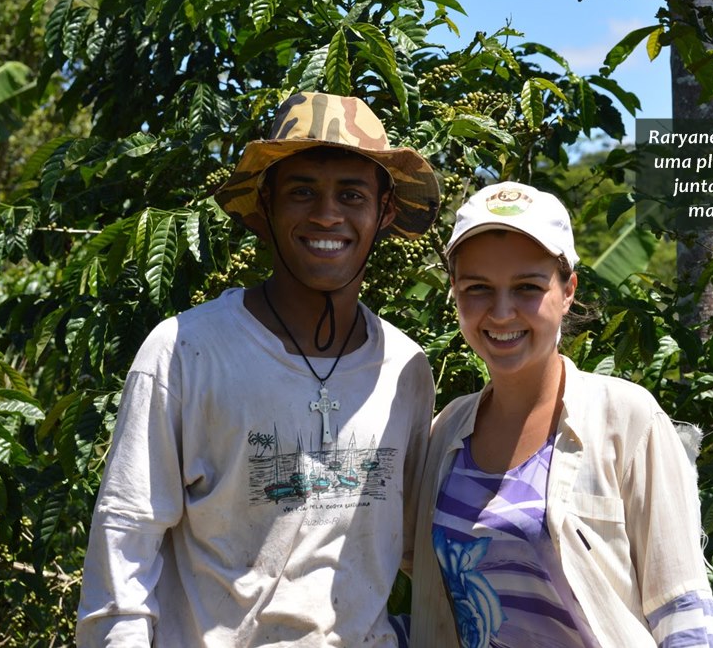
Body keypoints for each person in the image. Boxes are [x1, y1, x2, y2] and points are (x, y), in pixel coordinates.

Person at [77, 92, 440, 647]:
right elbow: (123, 553)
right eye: (302, 192)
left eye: (351, 193)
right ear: (265, 205)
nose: (326, 215)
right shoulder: (187, 352)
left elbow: (424, 551)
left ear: (384, 212)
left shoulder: (405, 370)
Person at [410, 182, 713, 647]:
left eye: (527, 288)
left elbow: (683, 616)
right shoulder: (446, 432)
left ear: (568, 291)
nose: (501, 312)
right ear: (455, 293)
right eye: (477, 288)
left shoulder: (627, 421)